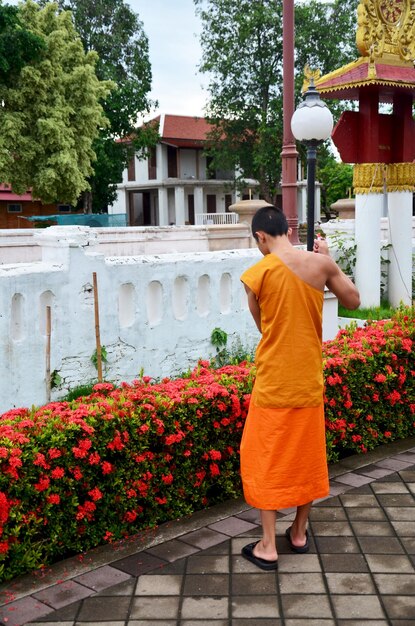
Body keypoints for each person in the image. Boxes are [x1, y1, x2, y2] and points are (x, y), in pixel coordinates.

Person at [240, 205, 360, 570]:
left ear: (261, 236)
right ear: (288, 231)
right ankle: (298, 532)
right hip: (308, 380)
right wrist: (330, 261)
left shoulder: (256, 274)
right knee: (306, 457)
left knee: (265, 456)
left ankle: (267, 544)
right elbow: (353, 300)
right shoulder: (319, 265)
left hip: (274, 381)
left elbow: (265, 329)